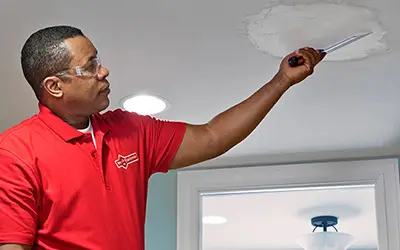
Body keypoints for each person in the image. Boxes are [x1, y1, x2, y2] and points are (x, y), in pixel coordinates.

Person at [0, 25, 325, 250]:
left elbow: (213, 137)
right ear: (55, 86)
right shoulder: (16, 151)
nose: (104, 71)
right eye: (90, 66)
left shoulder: (130, 130)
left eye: (98, 59)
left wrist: (282, 80)